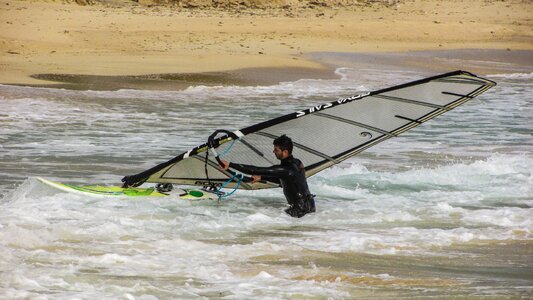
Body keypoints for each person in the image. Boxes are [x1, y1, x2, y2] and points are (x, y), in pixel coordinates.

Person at [220, 135, 315, 218]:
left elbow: (255, 170)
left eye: (276, 150)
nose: (273, 151)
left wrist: (230, 164)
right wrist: (261, 178)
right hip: (310, 205)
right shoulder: (298, 163)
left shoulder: (286, 169)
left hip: (299, 209)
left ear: (285, 152)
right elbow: (288, 180)